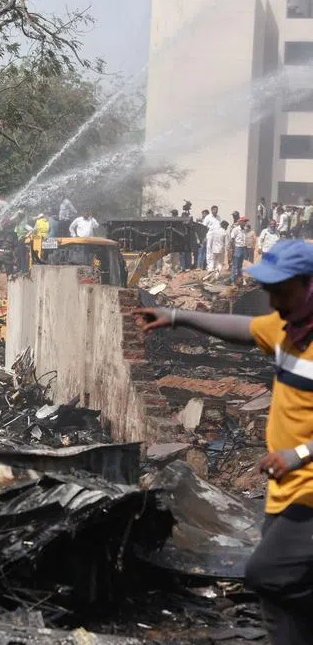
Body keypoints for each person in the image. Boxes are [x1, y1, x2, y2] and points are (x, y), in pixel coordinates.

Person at [135, 240, 313, 644]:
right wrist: (176, 315)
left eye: (281, 289)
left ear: (307, 286)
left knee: (268, 574)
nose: (272, 299)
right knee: (281, 601)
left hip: (308, 489)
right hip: (284, 491)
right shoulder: (289, 328)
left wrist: (298, 455)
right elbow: (245, 329)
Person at [231, 218, 249, 285]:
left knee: (240, 266)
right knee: (235, 265)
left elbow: (244, 240)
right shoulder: (235, 229)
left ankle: (240, 280)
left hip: (243, 248)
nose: (245, 223)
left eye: (245, 222)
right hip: (237, 248)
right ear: (240, 222)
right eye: (244, 222)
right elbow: (232, 239)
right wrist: (233, 249)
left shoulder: (244, 230)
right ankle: (232, 280)